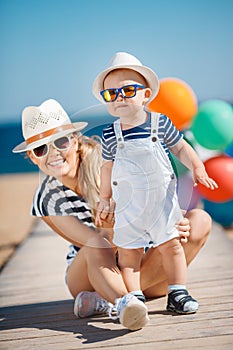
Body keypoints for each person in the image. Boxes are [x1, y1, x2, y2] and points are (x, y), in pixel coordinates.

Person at [93, 52, 218, 313]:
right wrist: (105, 198)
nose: (119, 98)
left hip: (161, 202)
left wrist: (197, 166)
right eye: (111, 94)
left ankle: (178, 292)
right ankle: (135, 298)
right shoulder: (109, 134)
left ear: (146, 95)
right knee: (129, 255)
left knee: (172, 246)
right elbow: (107, 168)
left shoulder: (159, 123)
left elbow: (181, 147)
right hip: (129, 206)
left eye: (128, 90)